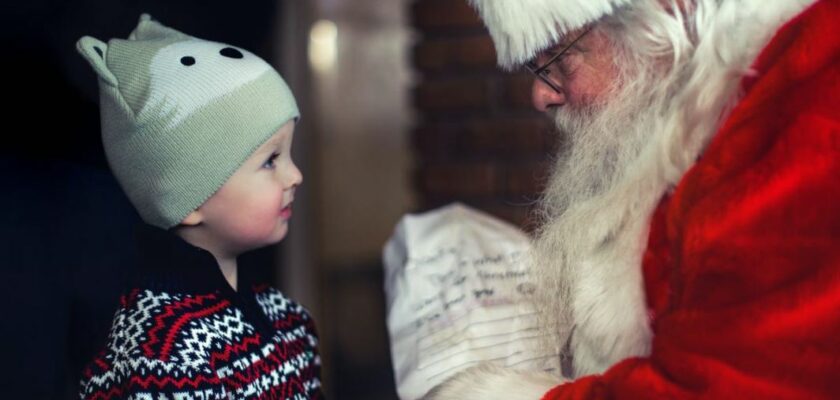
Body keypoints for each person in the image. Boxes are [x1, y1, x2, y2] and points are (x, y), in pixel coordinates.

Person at [425, 0, 840, 398]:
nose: (542, 95)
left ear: (665, 13)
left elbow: (738, 384)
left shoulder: (809, 97)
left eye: (557, 59)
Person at [75, 14, 322, 399]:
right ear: (187, 199)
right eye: (271, 160)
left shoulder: (288, 319)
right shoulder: (161, 353)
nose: (295, 175)